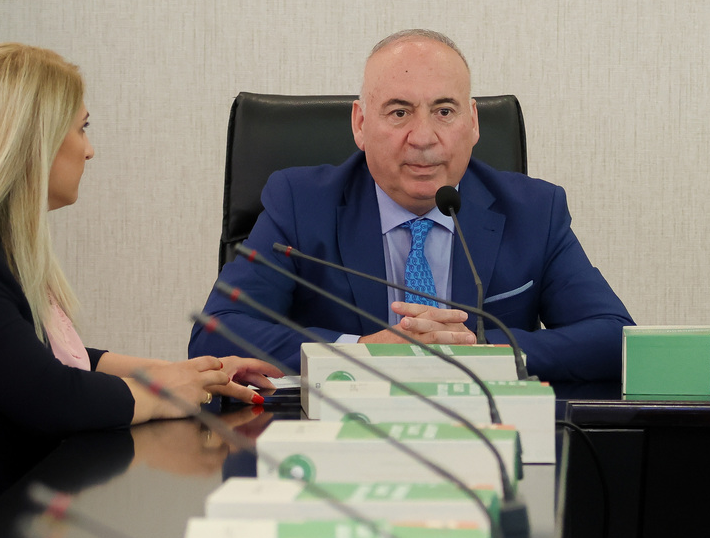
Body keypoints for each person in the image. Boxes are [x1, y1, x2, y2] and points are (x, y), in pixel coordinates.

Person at [0, 44, 276, 538]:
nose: (90, 151)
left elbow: (44, 356)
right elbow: (49, 394)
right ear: (31, 143)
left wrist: (187, 374)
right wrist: (166, 392)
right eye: (82, 128)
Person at [188, 29, 633, 398]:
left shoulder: (534, 211)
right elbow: (215, 333)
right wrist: (363, 352)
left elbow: (615, 339)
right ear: (360, 124)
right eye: (399, 112)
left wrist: (480, 351)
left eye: (444, 111)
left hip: (488, 440)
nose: (423, 137)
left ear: (473, 122)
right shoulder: (300, 204)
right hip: (342, 443)